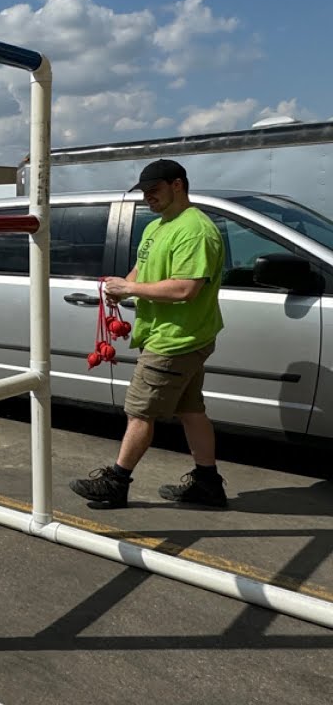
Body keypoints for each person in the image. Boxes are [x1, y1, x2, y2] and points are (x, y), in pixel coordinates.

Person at [69, 159, 227, 509]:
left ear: (178, 185)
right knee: (191, 410)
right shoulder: (159, 226)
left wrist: (131, 290)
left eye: (153, 191)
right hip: (177, 334)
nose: (147, 198)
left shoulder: (194, 230)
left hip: (176, 339)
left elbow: (186, 289)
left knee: (139, 411)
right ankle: (207, 483)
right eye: (144, 192)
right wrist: (122, 284)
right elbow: (142, 267)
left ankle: (117, 481)